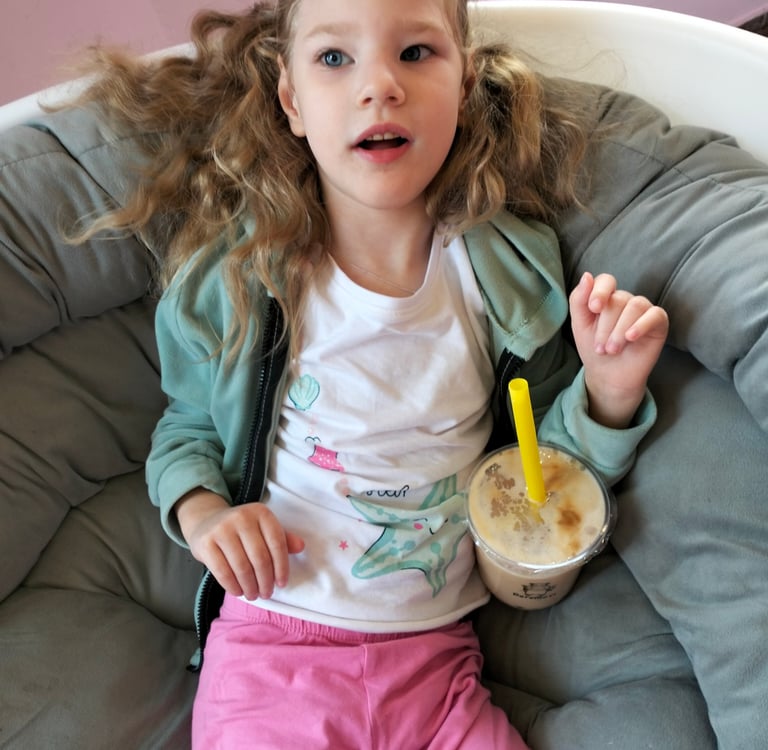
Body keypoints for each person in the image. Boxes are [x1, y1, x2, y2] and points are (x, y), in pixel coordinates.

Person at [73, 0, 668, 747]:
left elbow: (540, 468)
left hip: (441, 663)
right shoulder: (239, 279)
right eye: (334, 58)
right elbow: (187, 426)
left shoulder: (512, 276)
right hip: (272, 649)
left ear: (464, 85)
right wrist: (205, 516)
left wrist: (610, 392)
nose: (380, 84)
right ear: (292, 100)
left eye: (416, 53)